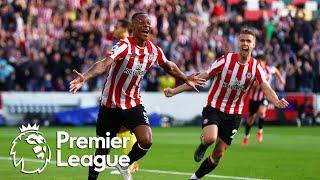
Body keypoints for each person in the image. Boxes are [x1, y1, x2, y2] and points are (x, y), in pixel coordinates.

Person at [69, 12, 205, 180]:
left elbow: (169, 65)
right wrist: (85, 76)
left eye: (148, 23)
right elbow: (103, 64)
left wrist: (186, 77)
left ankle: (124, 163)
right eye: (142, 22)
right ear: (132, 27)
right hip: (110, 105)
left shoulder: (153, 49)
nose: (146, 25)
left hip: (133, 103)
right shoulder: (124, 45)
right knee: (102, 151)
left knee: (146, 140)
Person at [164, 28, 289, 180]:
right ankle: (203, 145)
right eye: (242, 40)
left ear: (254, 45)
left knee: (218, 154)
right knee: (210, 138)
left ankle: (195, 178)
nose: (245, 43)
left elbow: (266, 87)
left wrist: (276, 101)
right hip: (214, 107)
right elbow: (201, 77)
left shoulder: (256, 67)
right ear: (238, 43)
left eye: (248, 41)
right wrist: (174, 91)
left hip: (234, 114)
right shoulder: (225, 60)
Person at [109, 19, 140, 175]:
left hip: (126, 96)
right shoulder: (121, 44)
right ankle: (130, 164)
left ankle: (131, 164)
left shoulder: (127, 45)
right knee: (121, 130)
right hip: (118, 94)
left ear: (124, 29)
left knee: (121, 129)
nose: (113, 29)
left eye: (116, 27)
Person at [242, 54, 286, 147]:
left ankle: (260, 131)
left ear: (264, 62)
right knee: (251, 119)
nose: (258, 64)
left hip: (264, 97)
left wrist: (281, 79)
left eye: (259, 62)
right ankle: (246, 136)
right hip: (253, 98)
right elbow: (252, 86)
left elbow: (276, 70)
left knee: (262, 112)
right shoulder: (253, 72)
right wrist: (261, 82)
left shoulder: (268, 70)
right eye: (256, 62)